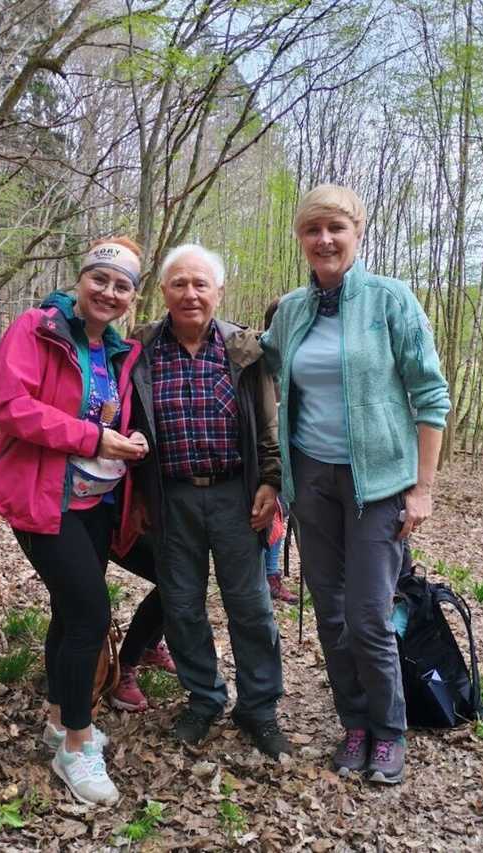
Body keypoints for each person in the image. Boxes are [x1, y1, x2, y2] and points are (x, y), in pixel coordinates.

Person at [261, 185, 450, 784]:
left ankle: (390, 731)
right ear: (301, 238)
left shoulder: (391, 300)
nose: (324, 240)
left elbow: (431, 395)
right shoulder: (292, 309)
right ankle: (356, 723)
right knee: (332, 615)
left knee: (369, 615)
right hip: (311, 478)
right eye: (313, 229)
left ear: (358, 231)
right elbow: (259, 358)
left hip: (379, 485)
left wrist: (422, 488)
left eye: (335, 228)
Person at [0, 237, 149, 804]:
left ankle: (59, 714)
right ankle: (76, 746)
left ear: (131, 296)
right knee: (89, 614)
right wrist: (94, 435)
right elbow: (10, 406)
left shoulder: (118, 352)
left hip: (96, 502)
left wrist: (127, 438)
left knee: (69, 611)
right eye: (100, 278)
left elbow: (111, 420)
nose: (109, 292)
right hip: (40, 497)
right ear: (81, 279)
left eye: (122, 285)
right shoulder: (36, 327)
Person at [123, 243, 292, 759]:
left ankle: (259, 709)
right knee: (182, 606)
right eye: (179, 284)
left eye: (201, 284)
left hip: (236, 496)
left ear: (218, 291)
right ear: (164, 292)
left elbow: (269, 425)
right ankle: (203, 698)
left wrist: (271, 482)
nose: (190, 294)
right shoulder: (141, 348)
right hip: (171, 498)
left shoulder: (244, 349)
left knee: (250, 607)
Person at [109, 535, 177, 712]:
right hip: (111, 524)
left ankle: (150, 648)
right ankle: (124, 667)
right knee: (174, 577)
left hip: (155, 524)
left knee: (178, 578)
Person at [262, 297, 297, 605]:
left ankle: (271, 574)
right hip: (266, 452)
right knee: (272, 512)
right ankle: (268, 574)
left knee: (281, 513)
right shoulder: (261, 360)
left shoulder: (298, 357)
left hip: (296, 450)